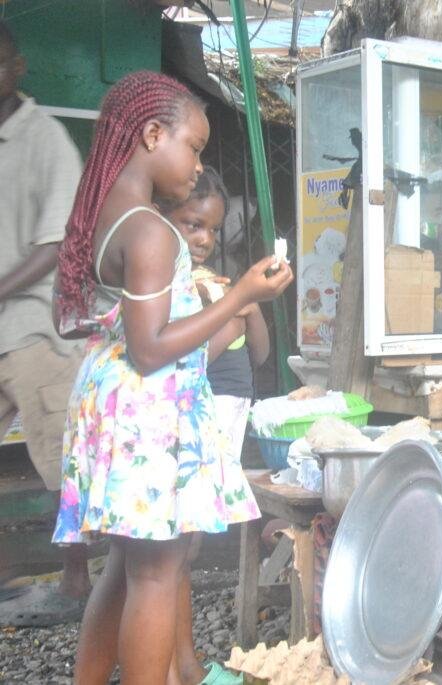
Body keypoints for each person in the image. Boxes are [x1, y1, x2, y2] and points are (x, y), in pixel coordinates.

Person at [50, 71, 293, 684]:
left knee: (125, 567)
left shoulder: (114, 210)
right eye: (195, 147)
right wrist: (239, 294)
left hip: (111, 398)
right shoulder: (152, 230)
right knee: (158, 575)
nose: (197, 163)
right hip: (143, 409)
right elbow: (152, 347)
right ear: (153, 134)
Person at [159, 167, 269, 685]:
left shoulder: (206, 281)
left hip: (208, 413)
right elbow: (188, 359)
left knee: (180, 549)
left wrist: (247, 308)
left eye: (209, 230)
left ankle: (183, 665)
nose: (203, 240)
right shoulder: (168, 281)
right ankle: (179, 667)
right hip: (179, 420)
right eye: (191, 225)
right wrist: (231, 314)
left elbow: (262, 354)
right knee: (172, 552)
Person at [0, 19, 92, 625]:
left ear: (17, 66)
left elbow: (55, 244)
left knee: (65, 459)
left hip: (31, 328)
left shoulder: (45, 139)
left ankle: (77, 579)